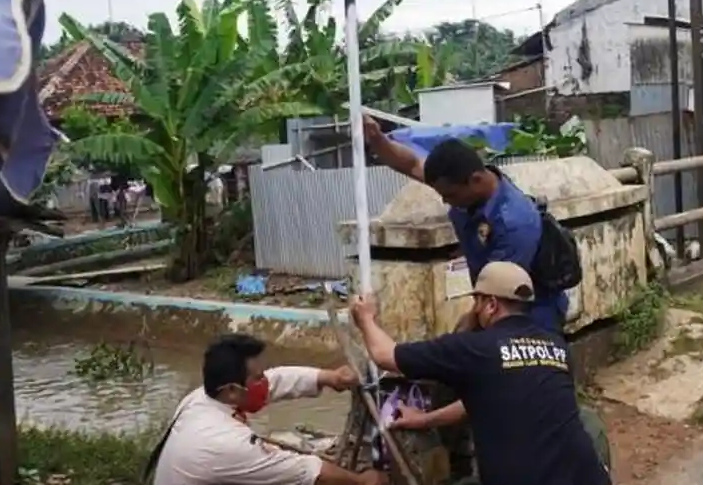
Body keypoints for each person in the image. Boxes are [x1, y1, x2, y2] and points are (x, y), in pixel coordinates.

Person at [349, 262, 612, 485]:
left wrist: (366, 319)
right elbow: (480, 399)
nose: (473, 309)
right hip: (586, 477)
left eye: (477, 301)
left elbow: (385, 355)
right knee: (588, 422)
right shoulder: (556, 346)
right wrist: (425, 420)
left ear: (491, 305)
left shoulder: (475, 349)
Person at [362, 117, 567, 334]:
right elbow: (412, 164)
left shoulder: (514, 222)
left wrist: (461, 333)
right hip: (495, 301)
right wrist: (377, 140)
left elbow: (499, 293)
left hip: (531, 312)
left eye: (450, 195)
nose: (446, 201)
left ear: (476, 180)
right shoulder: (464, 185)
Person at [149, 334, 386, 485]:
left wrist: (327, 377)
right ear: (232, 390)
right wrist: (360, 481)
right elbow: (303, 470)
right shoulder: (225, 443)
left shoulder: (201, 399)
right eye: (257, 377)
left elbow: (276, 380)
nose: (265, 382)